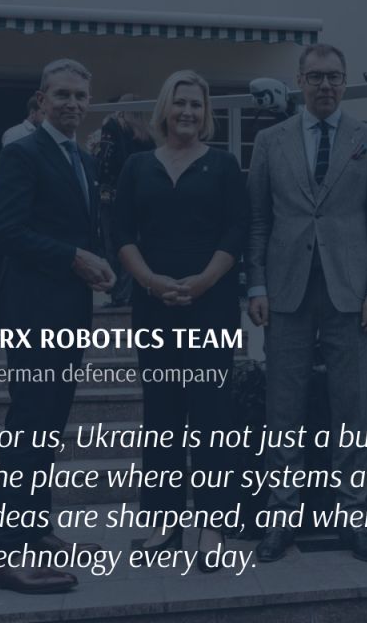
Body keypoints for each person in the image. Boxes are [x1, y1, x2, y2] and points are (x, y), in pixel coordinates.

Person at [247, 43, 367, 563]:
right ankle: (281, 519)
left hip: (351, 294)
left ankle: (353, 520)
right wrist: (256, 285)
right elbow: (258, 220)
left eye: (334, 76)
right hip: (285, 291)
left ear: (345, 79)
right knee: (282, 410)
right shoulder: (269, 141)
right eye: (316, 77)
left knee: (351, 409)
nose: (325, 85)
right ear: (300, 80)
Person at [0, 58, 114, 594]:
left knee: (47, 429)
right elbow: (2, 231)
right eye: (62, 94)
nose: (72, 104)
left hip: (68, 313)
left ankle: (36, 533)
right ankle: (6, 554)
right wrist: (74, 258)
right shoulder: (21, 152)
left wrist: (98, 262)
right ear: (41, 100)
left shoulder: (82, 158)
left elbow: (75, 227)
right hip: (30, 314)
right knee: (28, 427)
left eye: (80, 96)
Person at [115, 70, 248, 570]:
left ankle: (214, 526)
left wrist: (203, 282)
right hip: (154, 306)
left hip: (211, 306)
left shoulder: (224, 165)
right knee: (162, 417)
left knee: (212, 417)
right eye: (180, 103)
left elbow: (237, 230)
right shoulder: (137, 167)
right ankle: (163, 523)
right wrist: (151, 281)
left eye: (196, 104)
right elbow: (121, 233)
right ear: (165, 110)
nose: (187, 111)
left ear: (205, 112)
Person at [97, 95, 154, 307]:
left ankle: (117, 294)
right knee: (132, 245)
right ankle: (128, 293)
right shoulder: (148, 137)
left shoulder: (112, 127)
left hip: (113, 195)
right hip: (139, 198)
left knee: (112, 244)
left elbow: (106, 161)